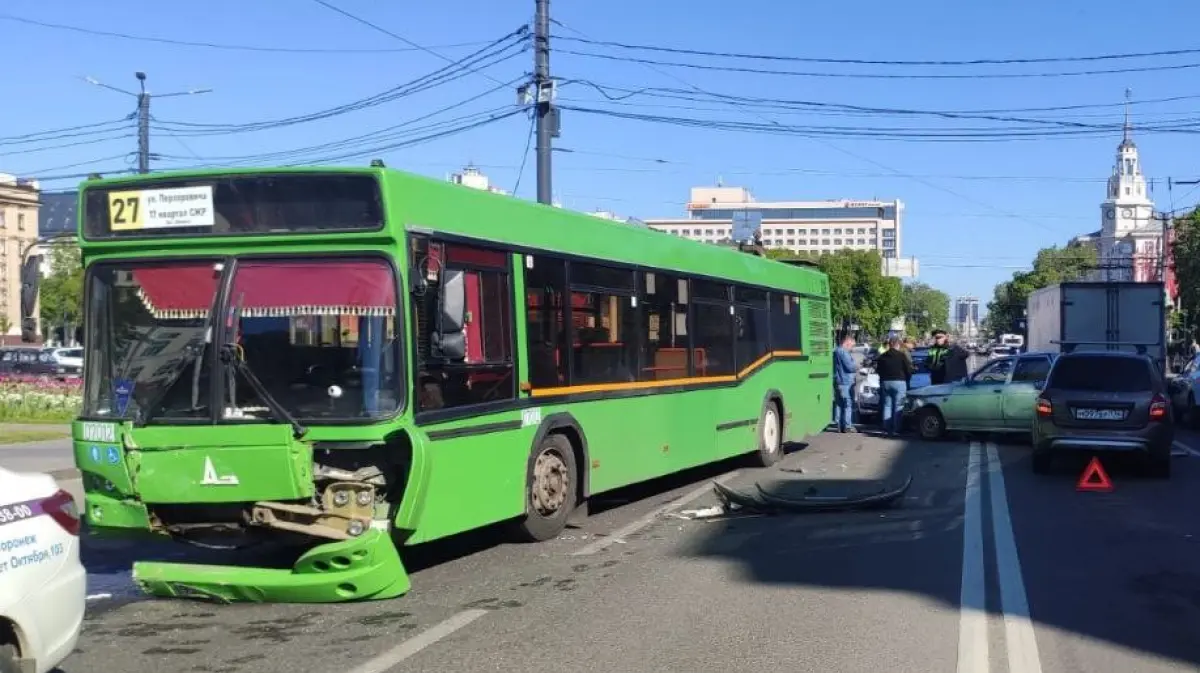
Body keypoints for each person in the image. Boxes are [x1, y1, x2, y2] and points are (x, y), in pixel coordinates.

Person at [875, 337, 913, 436]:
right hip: (899, 382)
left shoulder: (883, 356)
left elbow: (878, 370)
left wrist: (883, 378)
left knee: (887, 405)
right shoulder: (901, 356)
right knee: (898, 406)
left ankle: (886, 428)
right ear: (897, 344)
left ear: (890, 344)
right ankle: (896, 429)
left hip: (886, 382)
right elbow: (908, 370)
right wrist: (907, 379)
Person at [832, 333, 858, 433]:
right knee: (848, 404)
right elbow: (850, 367)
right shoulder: (843, 352)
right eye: (852, 345)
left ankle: (838, 424)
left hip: (838, 380)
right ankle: (847, 426)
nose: (852, 348)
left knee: (839, 404)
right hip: (845, 381)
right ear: (847, 343)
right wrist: (858, 366)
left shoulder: (835, 351)